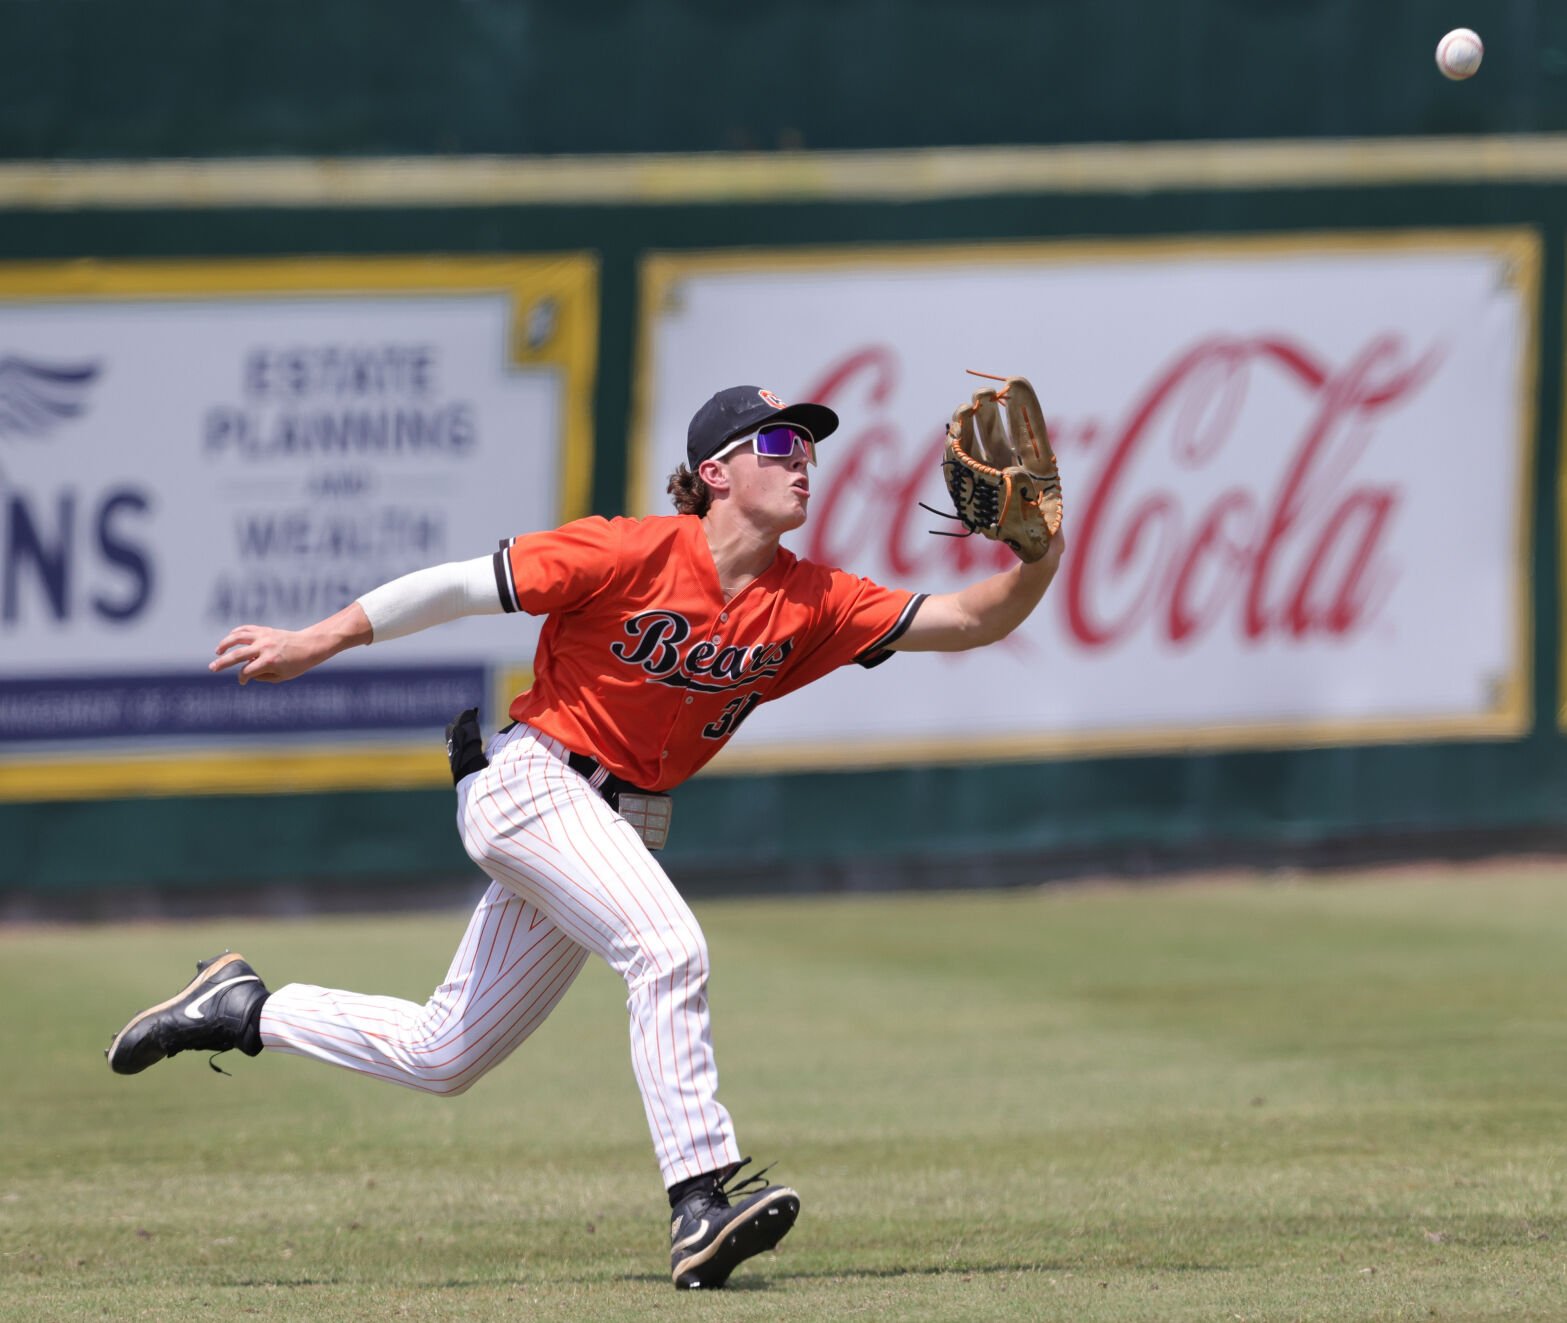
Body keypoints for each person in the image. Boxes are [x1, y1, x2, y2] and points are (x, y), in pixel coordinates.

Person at [105, 384, 1065, 1290]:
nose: (803, 459)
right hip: (532, 784)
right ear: (718, 472)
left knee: (446, 1052)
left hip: (615, 827)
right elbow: (458, 585)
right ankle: (700, 1201)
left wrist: (1038, 556)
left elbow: (968, 618)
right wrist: (319, 639)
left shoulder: (811, 599)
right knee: (668, 947)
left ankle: (240, 1008)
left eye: (810, 444)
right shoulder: (630, 551)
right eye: (778, 443)